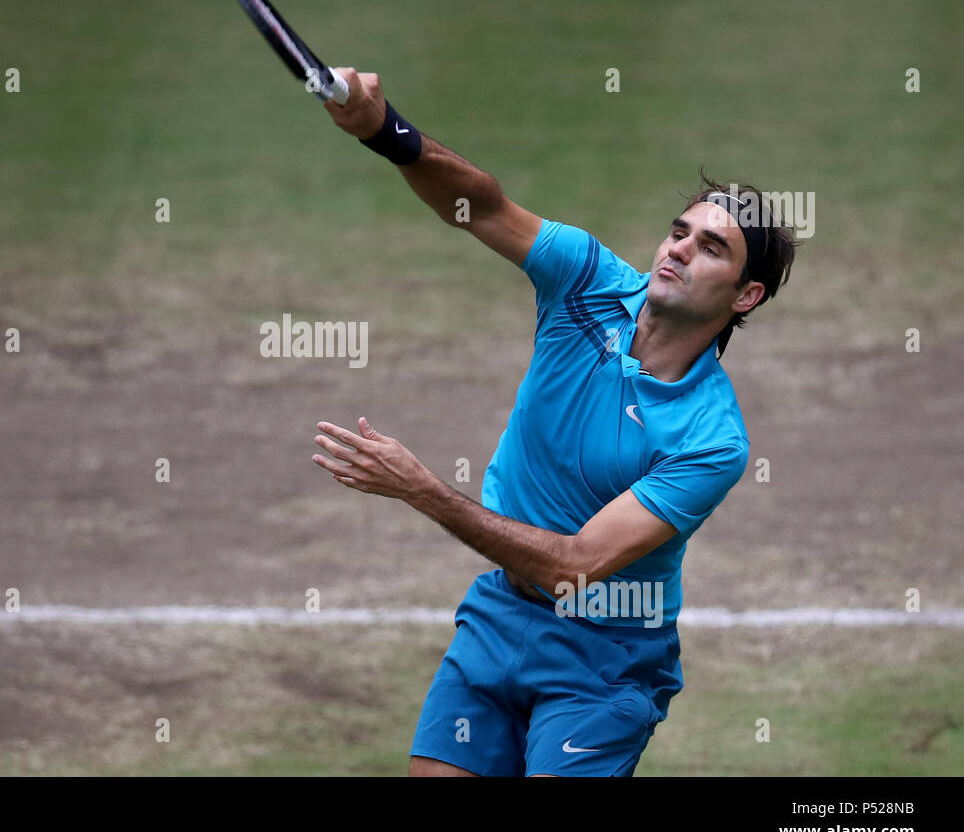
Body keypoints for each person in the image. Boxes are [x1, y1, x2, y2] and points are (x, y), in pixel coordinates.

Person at [310, 68, 798, 776]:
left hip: (608, 660)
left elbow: (573, 568)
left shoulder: (710, 440)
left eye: (711, 248)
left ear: (746, 295)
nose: (679, 249)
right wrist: (385, 131)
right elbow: (483, 204)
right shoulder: (588, 282)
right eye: (679, 231)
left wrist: (422, 489)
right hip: (500, 616)